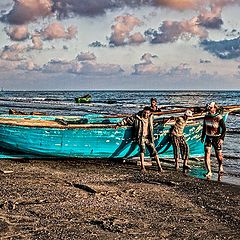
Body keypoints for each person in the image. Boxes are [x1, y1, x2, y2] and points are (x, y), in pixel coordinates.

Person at [116, 106, 163, 173]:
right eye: (144, 113)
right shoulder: (137, 117)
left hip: (148, 137)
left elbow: (157, 120)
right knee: (142, 150)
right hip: (140, 137)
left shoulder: (151, 118)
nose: (146, 114)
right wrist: (119, 124)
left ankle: (159, 167)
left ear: (149, 113)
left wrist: (164, 121)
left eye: (147, 113)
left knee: (154, 151)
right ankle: (142, 167)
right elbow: (127, 120)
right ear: (142, 112)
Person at [201, 102, 226, 179]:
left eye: (211, 107)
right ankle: (209, 171)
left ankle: (220, 166)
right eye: (209, 108)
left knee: (219, 155)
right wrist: (202, 136)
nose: (209, 109)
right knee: (207, 153)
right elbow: (204, 127)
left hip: (217, 137)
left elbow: (224, 129)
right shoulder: (206, 116)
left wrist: (222, 138)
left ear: (215, 108)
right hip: (208, 137)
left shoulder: (219, 117)